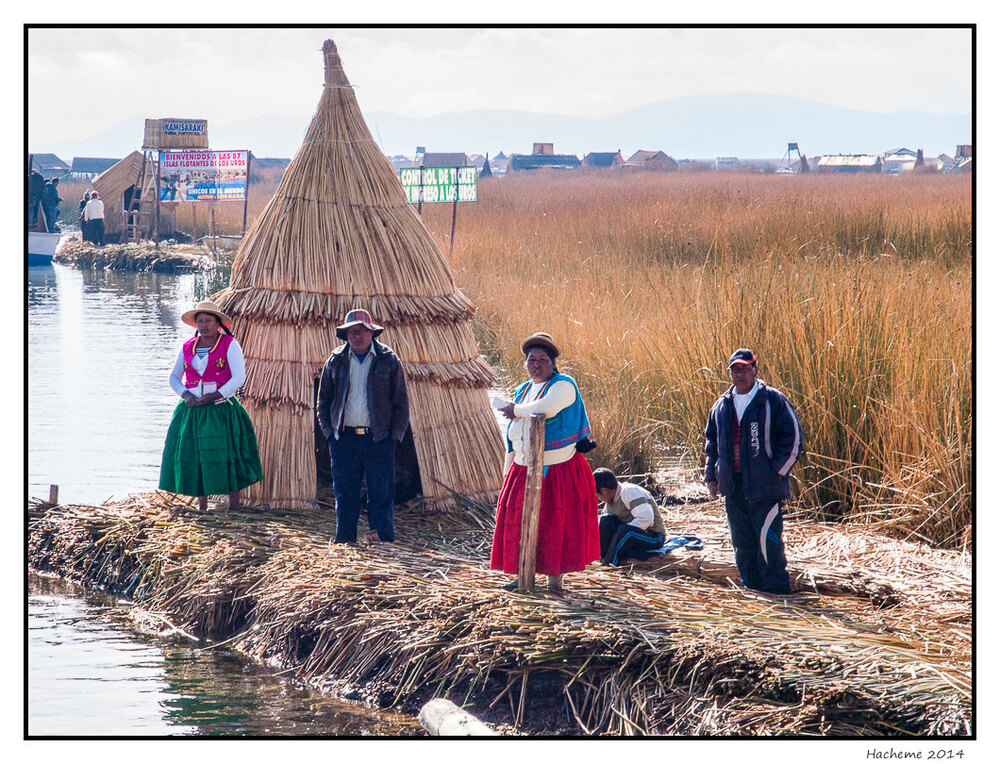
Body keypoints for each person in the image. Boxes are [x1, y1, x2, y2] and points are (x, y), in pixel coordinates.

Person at [491, 332, 601, 591]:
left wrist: (514, 410)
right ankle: (522, 576)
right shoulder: (523, 389)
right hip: (523, 467)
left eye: (542, 359)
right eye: (531, 360)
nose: (536, 365)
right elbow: (513, 436)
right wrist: (508, 472)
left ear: (553, 364)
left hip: (558, 469)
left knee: (555, 524)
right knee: (518, 522)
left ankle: (555, 581)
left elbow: (546, 408)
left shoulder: (564, 385)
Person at [704, 348, 803, 594]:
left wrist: (777, 472)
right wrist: (712, 478)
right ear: (729, 373)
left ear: (755, 369)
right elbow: (711, 445)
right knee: (742, 543)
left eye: (745, 368)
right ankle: (753, 591)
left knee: (768, 544)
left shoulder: (771, 400)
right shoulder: (721, 406)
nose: (740, 374)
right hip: (733, 487)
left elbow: (794, 438)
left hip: (765, 488)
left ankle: (777, 592)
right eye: (735, 369)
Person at [316, 309, 410, 544]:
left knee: (381, 492)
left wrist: (394, 437)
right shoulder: (336, 360)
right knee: (345, 493)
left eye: (361, 331)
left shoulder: (388, 359)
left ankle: (382, 541)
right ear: (346, 335)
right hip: (344, 439)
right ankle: (345, 541)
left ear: (372, 333)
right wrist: (330, 433)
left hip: (378, 438)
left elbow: (401, 402)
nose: (357, 336)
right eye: (352, 331)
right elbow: (323, 401)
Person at [159, 301, 263, 512]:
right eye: (200, 321)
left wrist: (215, 395)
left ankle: (234, 506)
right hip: (192, 409)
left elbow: (239, 378)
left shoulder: (229, 344)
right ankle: (202, 505)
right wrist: (185, 394)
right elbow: (174, 377)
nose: (204, 325)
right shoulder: (188, 346)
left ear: (218, 323)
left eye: (208, 320)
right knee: (197, 454)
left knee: (228, 454)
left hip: (221, 409)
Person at [593, 468, 666, 566]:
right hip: (631, 537)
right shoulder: (610, 503)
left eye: (598, 495)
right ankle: (602, 557)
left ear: (604, 490)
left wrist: (620, 533)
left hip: (653, 537)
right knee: (605, 520)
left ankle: (609, 564)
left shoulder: (630, 492)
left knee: (625, 531)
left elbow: (646, 519)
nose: (599, 498)